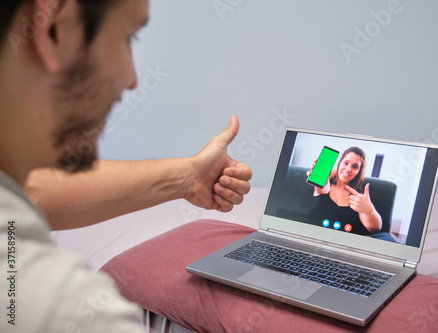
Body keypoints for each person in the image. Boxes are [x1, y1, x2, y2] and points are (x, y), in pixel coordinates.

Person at [0, 0, 251, 331]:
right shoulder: (65, 310)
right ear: (52, 29)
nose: (131, 80)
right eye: (128, 37)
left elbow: (30, 192)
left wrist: (188, 179)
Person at [307, 147, 382, 235]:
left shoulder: (358, 196)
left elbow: (374, 229)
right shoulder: (325, 183)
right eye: (346, 163)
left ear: (359, 171)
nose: (348, 169)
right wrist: (321, 184)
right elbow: (321, 190)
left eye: (355, 166)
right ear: (340, 162)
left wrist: (370, 211)